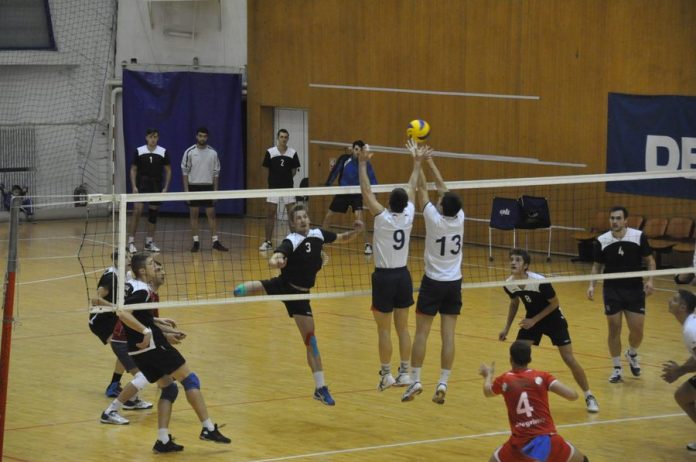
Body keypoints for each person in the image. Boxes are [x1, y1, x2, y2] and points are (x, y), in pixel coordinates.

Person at [234, 203, 363, 405]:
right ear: (293, 224)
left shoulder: (319, 235)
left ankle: (320, 388)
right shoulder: (291, 240)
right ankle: (231, 296)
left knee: (311, 341)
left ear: (308, 219)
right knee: (245, 289)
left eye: (304, 217)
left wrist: (356, 232)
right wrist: (276, 261)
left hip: (300, 296)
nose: (302, 220)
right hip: (284, 284)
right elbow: (276, 257)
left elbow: (341, 238)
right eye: (298, 218)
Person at [115, 253, 231, 452]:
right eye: (151, 264)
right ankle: (208, 428)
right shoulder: (143, 290)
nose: (156, 266)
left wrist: (157, 322)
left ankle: (163, 440)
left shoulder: (132, 285)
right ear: (142, 271)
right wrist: (147, 331)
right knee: (190, 380)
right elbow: (123, 313)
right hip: (152, 346)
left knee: (169, 389)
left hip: (137, 351)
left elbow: (136, 313)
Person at [401, 142, 464, 405]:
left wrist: (418, 160)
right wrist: (431, 162)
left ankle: (415, 379)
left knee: (422, 333)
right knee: (448, 336)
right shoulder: (460, 217)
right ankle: (443, 382)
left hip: (433, 283)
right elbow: (442, 189)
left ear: (441, 207)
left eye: (439, 202)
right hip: (454, 283)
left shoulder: (433, 219)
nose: (437, 200)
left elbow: (423, 189)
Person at [499, 248, 599, 413]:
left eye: (517, 260)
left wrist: (533, 321)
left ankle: (589, 395)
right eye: (511, 259)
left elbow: (555, 303)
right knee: (517, 353)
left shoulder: (539, 281)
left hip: (553, 318)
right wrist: (506, 328)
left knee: (568, 358)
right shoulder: (509, 284)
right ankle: (521, 395)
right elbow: (514, 304)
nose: (513, 262)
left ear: (526, 265)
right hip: (533, 319)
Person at [358, 143, 418, 391]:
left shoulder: (381, 217)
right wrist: (417, 162)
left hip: (384, 278)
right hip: (403, 276)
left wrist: (362, 162)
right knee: (402, 328)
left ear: (389, 202)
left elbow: (366, 191)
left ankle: (386, 375)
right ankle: (405, 373)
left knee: (384, 329)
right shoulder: (409, 214)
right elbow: (412, 187)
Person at [98, 260, 180, 425]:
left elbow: (144, 319)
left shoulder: (144, 290)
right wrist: (163, 335)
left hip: (133, 339)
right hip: (124, 340)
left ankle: (131, 400)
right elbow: (130, 317)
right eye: (156, 269)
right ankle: (110, 411)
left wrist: (163, 325)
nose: (162, 272)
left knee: (156, 378)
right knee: (144, 375)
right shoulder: (144, 291)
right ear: (144, 272)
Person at [479, 341, 590, 462]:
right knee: (582, 459)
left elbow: (487, 391)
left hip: (520, 444)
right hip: (548, 441)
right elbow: (572, 395)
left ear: (511, 359)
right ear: (530, 359)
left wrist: (488, 375)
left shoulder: (504, 380)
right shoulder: (542, 376)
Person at [587, 206, 655, 383]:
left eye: (618, 218)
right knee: (614, 327)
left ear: (626, 221)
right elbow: (597, 266)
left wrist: (650, 280)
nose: (614, 221)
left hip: (634, 289)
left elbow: (650, 261)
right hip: (612, 289)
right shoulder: (602, 240)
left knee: (637, 330)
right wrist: (592, 285)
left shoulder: (638, 236)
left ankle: (632, 353)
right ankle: (616, 367)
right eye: (612, 218)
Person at [323, 140, 376, 255]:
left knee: (359, 218)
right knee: (328, 216)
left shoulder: (365, 163)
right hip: (342, 192)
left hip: (356, 194)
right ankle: (319, 240)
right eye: (356, 149)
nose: (357, 152)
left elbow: (372, 178)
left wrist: (375, 192)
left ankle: (367, 245)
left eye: (360, 150)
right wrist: (327, 186)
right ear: (352, 149)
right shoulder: (344, 159)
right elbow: (335, 172)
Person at [181, 126, 228, 252]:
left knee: (211, 215)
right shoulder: (189, 152)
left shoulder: (213, 153)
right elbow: (185, 172)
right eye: (200, 136)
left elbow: (216, 173)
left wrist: (215, 191)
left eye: (204, 136)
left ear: (207, 137)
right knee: (194, 215)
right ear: (196, 136)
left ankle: (215, 241)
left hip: (208, 187)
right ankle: (196, 242)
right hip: (193, 186)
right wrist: (186, 191)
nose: (202, 138)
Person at [661, 289, 696, 451]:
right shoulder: (690, 324)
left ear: (683, 307)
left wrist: (680, 369)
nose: (670, 300)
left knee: (683, 395)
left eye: (674, 299)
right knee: (682, 395)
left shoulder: (690, 330)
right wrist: (680, 372)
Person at [89, 250, 127, 398]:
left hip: (112, 319)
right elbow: (95, 299)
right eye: (126, 257)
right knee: (126, 350)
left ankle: (114, 384)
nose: (129, 260)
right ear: (116, 261)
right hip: (101, 321)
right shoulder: (111, 277)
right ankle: (114, 386)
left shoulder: (124, 274)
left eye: (130, 257)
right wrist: (115, 307)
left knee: (128, 349)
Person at [127, 128, 171, 253]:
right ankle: (130, 242)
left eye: (155, 137)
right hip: (142, 185)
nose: (153, 139)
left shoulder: (163, 151)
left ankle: (149, 242)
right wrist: (134, 186)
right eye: (151, 137)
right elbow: (133, 169)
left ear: (158, 138)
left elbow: (168, 170)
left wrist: (165, 188)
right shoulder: (139, 151)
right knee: (137, 211)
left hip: (156, 186)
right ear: (146, 138)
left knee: (153, 213)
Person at [259, 128, 301, 251]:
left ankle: (295, 242)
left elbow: (294, 171)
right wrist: (272, 182)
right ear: (278, 138)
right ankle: (268, 242)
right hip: (273, 188)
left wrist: (285, 180)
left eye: (285, 137)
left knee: (291, 214)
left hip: (288, 188)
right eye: (281, 137)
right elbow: (266, 169)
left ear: (288, 139)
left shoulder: (292, 153)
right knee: (270, 214)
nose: (283, 139)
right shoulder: (270, 152)